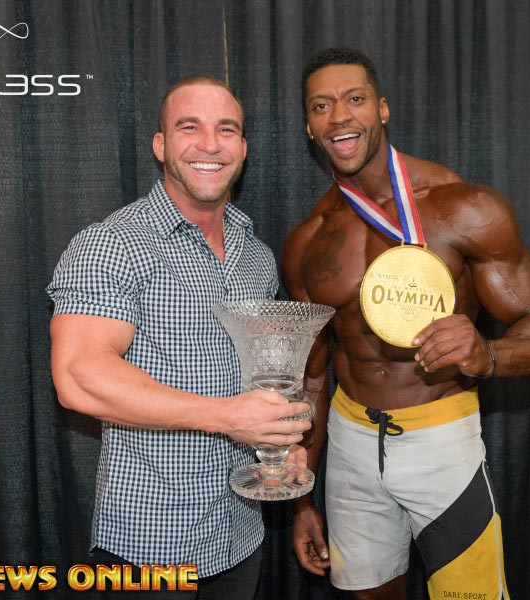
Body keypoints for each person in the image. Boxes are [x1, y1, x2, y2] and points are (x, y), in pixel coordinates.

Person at [283, 48, 530, 600]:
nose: (339, 116)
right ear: (309, 128)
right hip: (349, 443)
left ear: (382, 108)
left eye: (354, 98)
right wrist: (302, 501)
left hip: (439, 437)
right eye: (321, 106)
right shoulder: (307, 240)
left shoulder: (464, 207)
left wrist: (489, 354)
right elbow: (312, 378)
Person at [47, 75, 310, 599]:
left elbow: (257, 381)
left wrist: (276, 446)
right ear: (160, 145)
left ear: (243, 149)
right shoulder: (113, 244)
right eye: (190, 127)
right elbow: (79, 377)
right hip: (152, 542)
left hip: (240, 534)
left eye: (226, 130)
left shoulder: (256, 255)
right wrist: (228, 417)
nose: (210, 144)